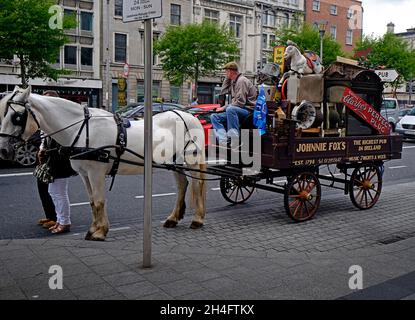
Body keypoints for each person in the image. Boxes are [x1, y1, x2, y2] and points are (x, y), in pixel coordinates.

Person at [38, 90, 77, 234]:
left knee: (59, 192)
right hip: (54, 159)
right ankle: (60, 220)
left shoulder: (60, 118)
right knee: (54, 191)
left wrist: (46, 151)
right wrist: (43, 149)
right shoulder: (52, 117)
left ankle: (64, 222)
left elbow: (64, 140)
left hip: (59, 160)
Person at [210, 61, 257, 147]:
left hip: (248, 111)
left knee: (230, 109)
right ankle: (223, 140)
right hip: (239, 109)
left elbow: (240, 102)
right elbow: (223, 91)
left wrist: (224, 108)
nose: (225, 73)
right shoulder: (233, 82)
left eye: (226, 71)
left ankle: (235, 139)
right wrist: (227, 79)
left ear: (231, 71)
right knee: (214, 117)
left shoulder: (241, 81)